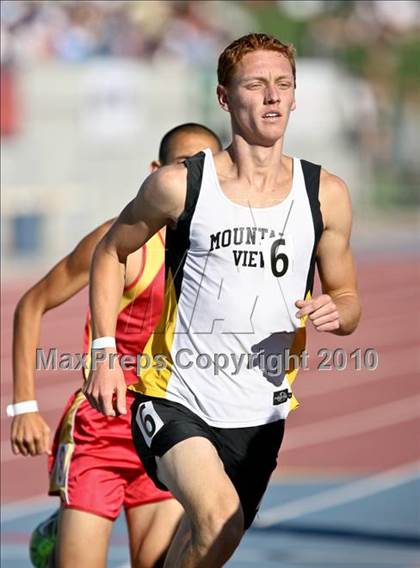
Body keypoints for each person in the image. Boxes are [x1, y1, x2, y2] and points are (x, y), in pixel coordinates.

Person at [84, 33, 361, 568]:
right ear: (224, 97)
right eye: (256, 85)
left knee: (205, 544)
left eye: (283, 85)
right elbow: (108, 253)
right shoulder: (180, 185)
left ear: (296, 96)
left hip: (259, 415)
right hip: (173, 397)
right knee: (220, 516)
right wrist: (102, 354)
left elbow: (348, 299)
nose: (272, 97)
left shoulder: (325, 194)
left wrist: (338, 311)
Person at [9, 123, 223, 568]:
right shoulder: (121, 243)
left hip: (169, 434)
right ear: (156, 172)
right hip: (100, 435)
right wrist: (24, 407)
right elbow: (31, 305)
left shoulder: (221, 252)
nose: (197, 179)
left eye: (209, 168)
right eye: (186, 166)